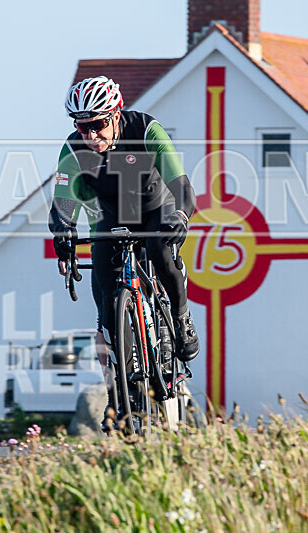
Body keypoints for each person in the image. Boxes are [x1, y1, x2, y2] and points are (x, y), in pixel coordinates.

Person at [48, 76, 199, 367]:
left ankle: (181, 318)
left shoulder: (145, 130)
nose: (91, 136)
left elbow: (182, 186)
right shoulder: (74, 150)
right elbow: (63, 201)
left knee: (159, 251)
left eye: (98, 125)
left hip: (157, 208)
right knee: (106, 305)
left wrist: (180, 215)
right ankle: (122, 387)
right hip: (111, 217)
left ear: (115, 114)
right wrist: (63, 233)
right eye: (82, 127)